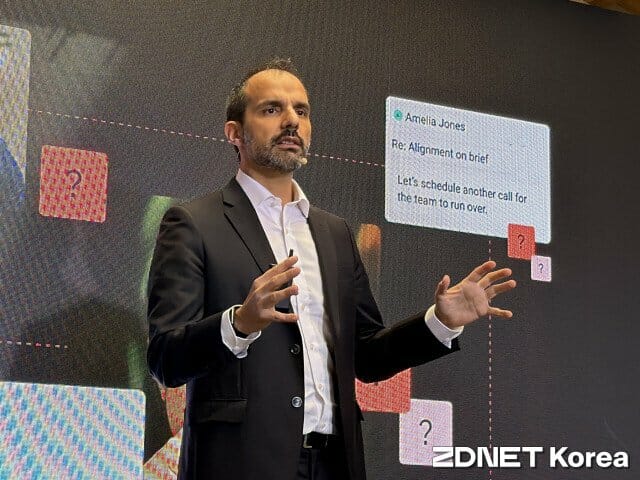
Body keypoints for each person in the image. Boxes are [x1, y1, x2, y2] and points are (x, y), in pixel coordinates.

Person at [146, 58, 516, 480]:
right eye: (272, 109)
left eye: (301, 111)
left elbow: (368, 356)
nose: (291, 121)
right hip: (242, 462)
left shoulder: (334, 233)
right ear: (235, 133)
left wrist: (439, 322)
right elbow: (165, 359)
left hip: (334, 464)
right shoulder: (194, 223)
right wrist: (239, 324)